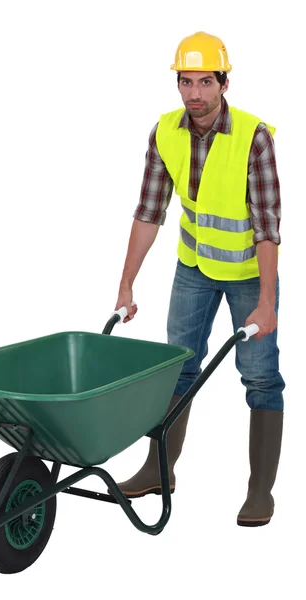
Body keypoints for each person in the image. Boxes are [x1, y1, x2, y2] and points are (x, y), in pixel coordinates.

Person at [112, 31, 285, 527]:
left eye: (205, 82)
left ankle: (260, 491)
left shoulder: (254, 137)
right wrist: (127, 284)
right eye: (186, 82)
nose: (194, 94)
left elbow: (268, 225)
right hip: (194, 267)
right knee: (178, 367)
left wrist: (267, 301)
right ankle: (158, 469)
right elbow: (149, 211)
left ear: (224, 83)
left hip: (250, 274)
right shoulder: (165, 131)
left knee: (259, 376)